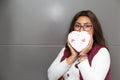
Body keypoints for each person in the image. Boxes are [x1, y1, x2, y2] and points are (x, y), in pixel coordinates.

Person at [47, 10, 110, 80]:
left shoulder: (101, 52)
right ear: (73, 28)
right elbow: (51, 76)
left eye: (87, 26)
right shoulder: (66, 50)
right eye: (77, 26)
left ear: (94, 30)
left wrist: (82, 56)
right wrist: (73, 56)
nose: (81, 30)